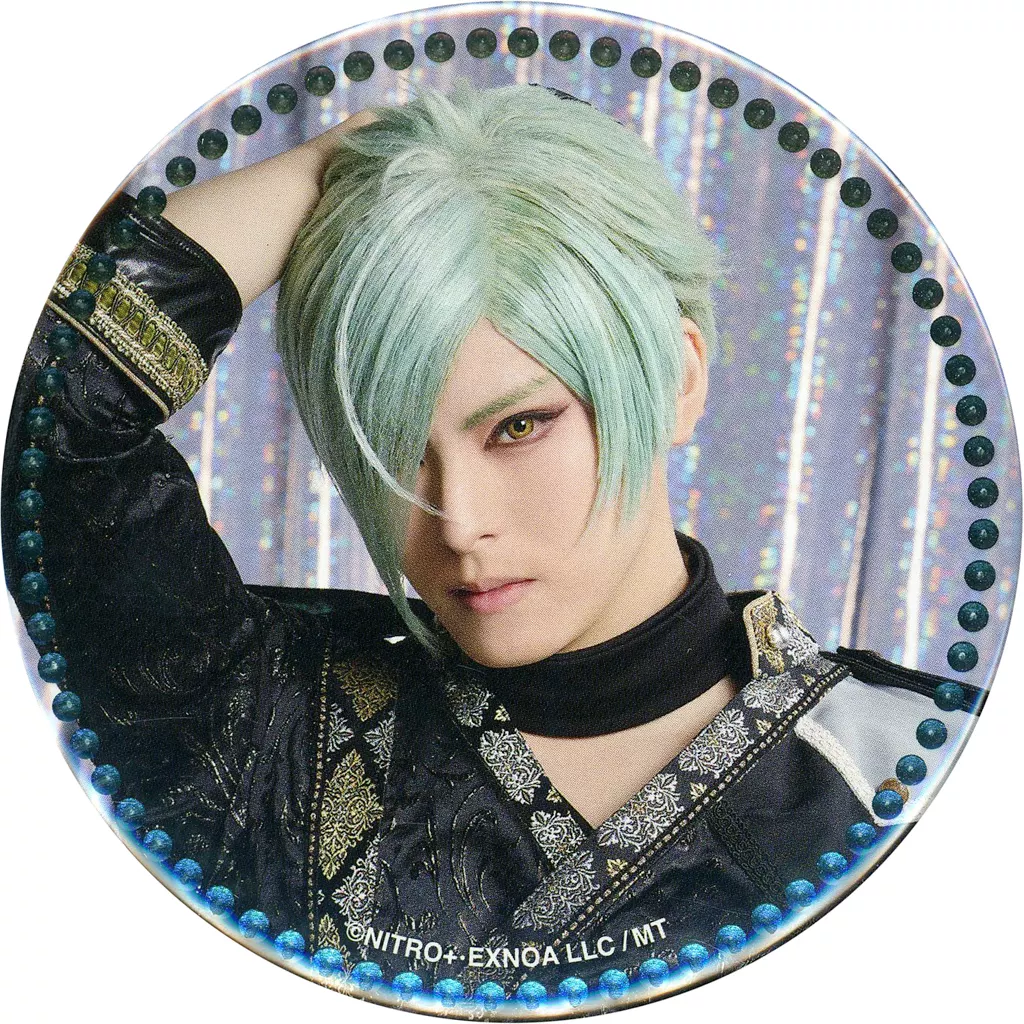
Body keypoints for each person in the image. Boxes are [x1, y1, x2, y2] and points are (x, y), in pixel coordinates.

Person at [2, 82, 981, 999]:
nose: (458, 522)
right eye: (393, 450)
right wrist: (337, 163)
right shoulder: (266, 725)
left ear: (678, 380)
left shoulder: (917, 764)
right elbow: (45, 410)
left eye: (518, 426)